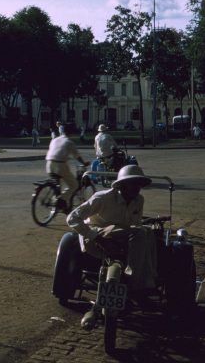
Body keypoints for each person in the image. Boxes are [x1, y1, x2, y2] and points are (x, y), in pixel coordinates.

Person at [67, 165, 157, 295]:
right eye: (132, 184)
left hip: (120, 235)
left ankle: (150, 278)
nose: (136, 188)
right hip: (97, 237)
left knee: (148, 232)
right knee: (141, 232)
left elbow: (135, 225)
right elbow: (72, 218)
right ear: (122, 185)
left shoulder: (138, 200)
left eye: (139, 184)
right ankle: (136, 283)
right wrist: (98, 239)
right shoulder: (103, 197)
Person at [45, 123, 89, 212]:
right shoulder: (69, 142)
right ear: (71, 132)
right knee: (74, 185)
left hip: (49, 164)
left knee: (57, 185)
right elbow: (77, 156)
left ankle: (58, 203)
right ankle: (60, 201)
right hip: (60, 165)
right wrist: (84, 163)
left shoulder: (55, 139)